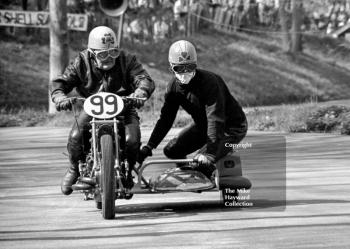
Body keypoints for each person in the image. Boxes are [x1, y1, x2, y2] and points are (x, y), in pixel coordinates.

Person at [51, 26, 155, 195]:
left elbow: (143, 78)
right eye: (102, 54)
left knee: (132, 139)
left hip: (124, 107)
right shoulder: (81, 62)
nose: (108, 58)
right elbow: (62, 81)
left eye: (112, 53)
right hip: (92, 109)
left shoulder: (127, 60)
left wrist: (140, 91)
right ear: (91, 53)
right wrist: (59, 96)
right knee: (76, 137)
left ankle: (127, 171)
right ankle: (74, 169)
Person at [138, 40, 247, 180]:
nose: (185, 73)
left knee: (201, 161)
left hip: (230, 127)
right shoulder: (173, 87)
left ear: (196, 65)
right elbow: (166, 119)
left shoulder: (210, 82)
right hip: (203, 126)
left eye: (189, 67)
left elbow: (215, 118)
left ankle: (207, 171)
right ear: (171, 68)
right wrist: (149, 147)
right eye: (179, 69)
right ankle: (188, 175)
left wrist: (210, 154)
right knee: (172, 150)